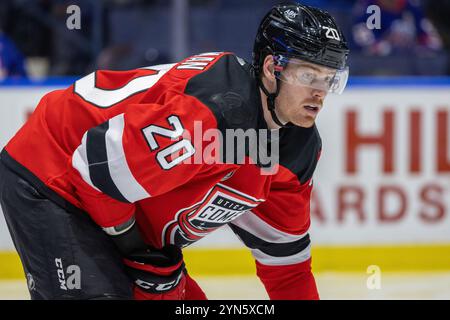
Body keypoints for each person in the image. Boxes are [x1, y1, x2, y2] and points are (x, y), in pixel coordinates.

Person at [0, 2, 349, 300]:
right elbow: (95, 165)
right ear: (274, 69)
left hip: (120, 213)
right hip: (52, 171)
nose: (320, 92)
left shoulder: (296, 150)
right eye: (309, 76)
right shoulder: (212, 114)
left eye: (328, 78)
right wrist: (136, 248)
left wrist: (146, 252)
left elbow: (287, 269)